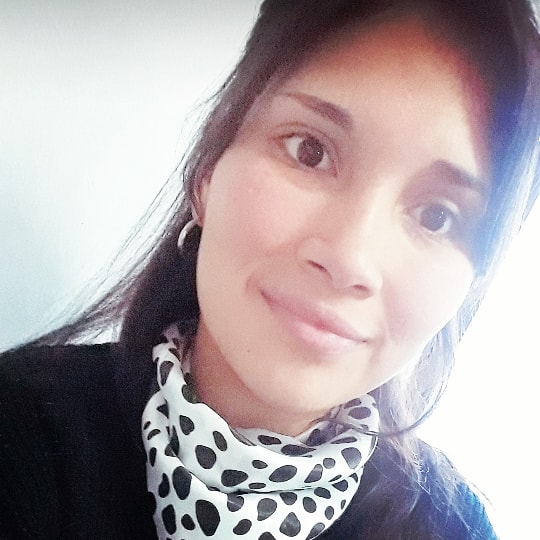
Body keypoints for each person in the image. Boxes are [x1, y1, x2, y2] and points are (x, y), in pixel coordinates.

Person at [1, 0, 539, 538]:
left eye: (437, 217)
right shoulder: (21, 432)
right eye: (310, 152)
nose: (350, 257)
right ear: (207, 172)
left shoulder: (452, 528)